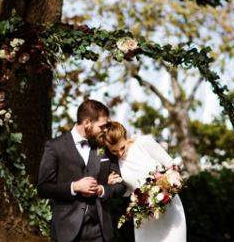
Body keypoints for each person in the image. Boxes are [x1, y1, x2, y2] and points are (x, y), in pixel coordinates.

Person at [37, 100, 127, 242]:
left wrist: (102, 190)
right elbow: (43, 188)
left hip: (101, 231)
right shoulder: (55, 147)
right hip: (66, 232)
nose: (105, 130)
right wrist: (75, 187)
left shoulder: (104, 146)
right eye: (102, 126)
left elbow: (121, 185)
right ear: (87, 123)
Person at [102, 121, 187, 242]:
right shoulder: (114, 163)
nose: (120, 154)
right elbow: (126, 192)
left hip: (169, 209)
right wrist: (112, 183)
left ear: (125, 137)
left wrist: (168, 181)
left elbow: (170, 164)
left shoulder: (143, 143)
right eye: (114, 151)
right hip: (145, 218)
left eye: (122, 148)